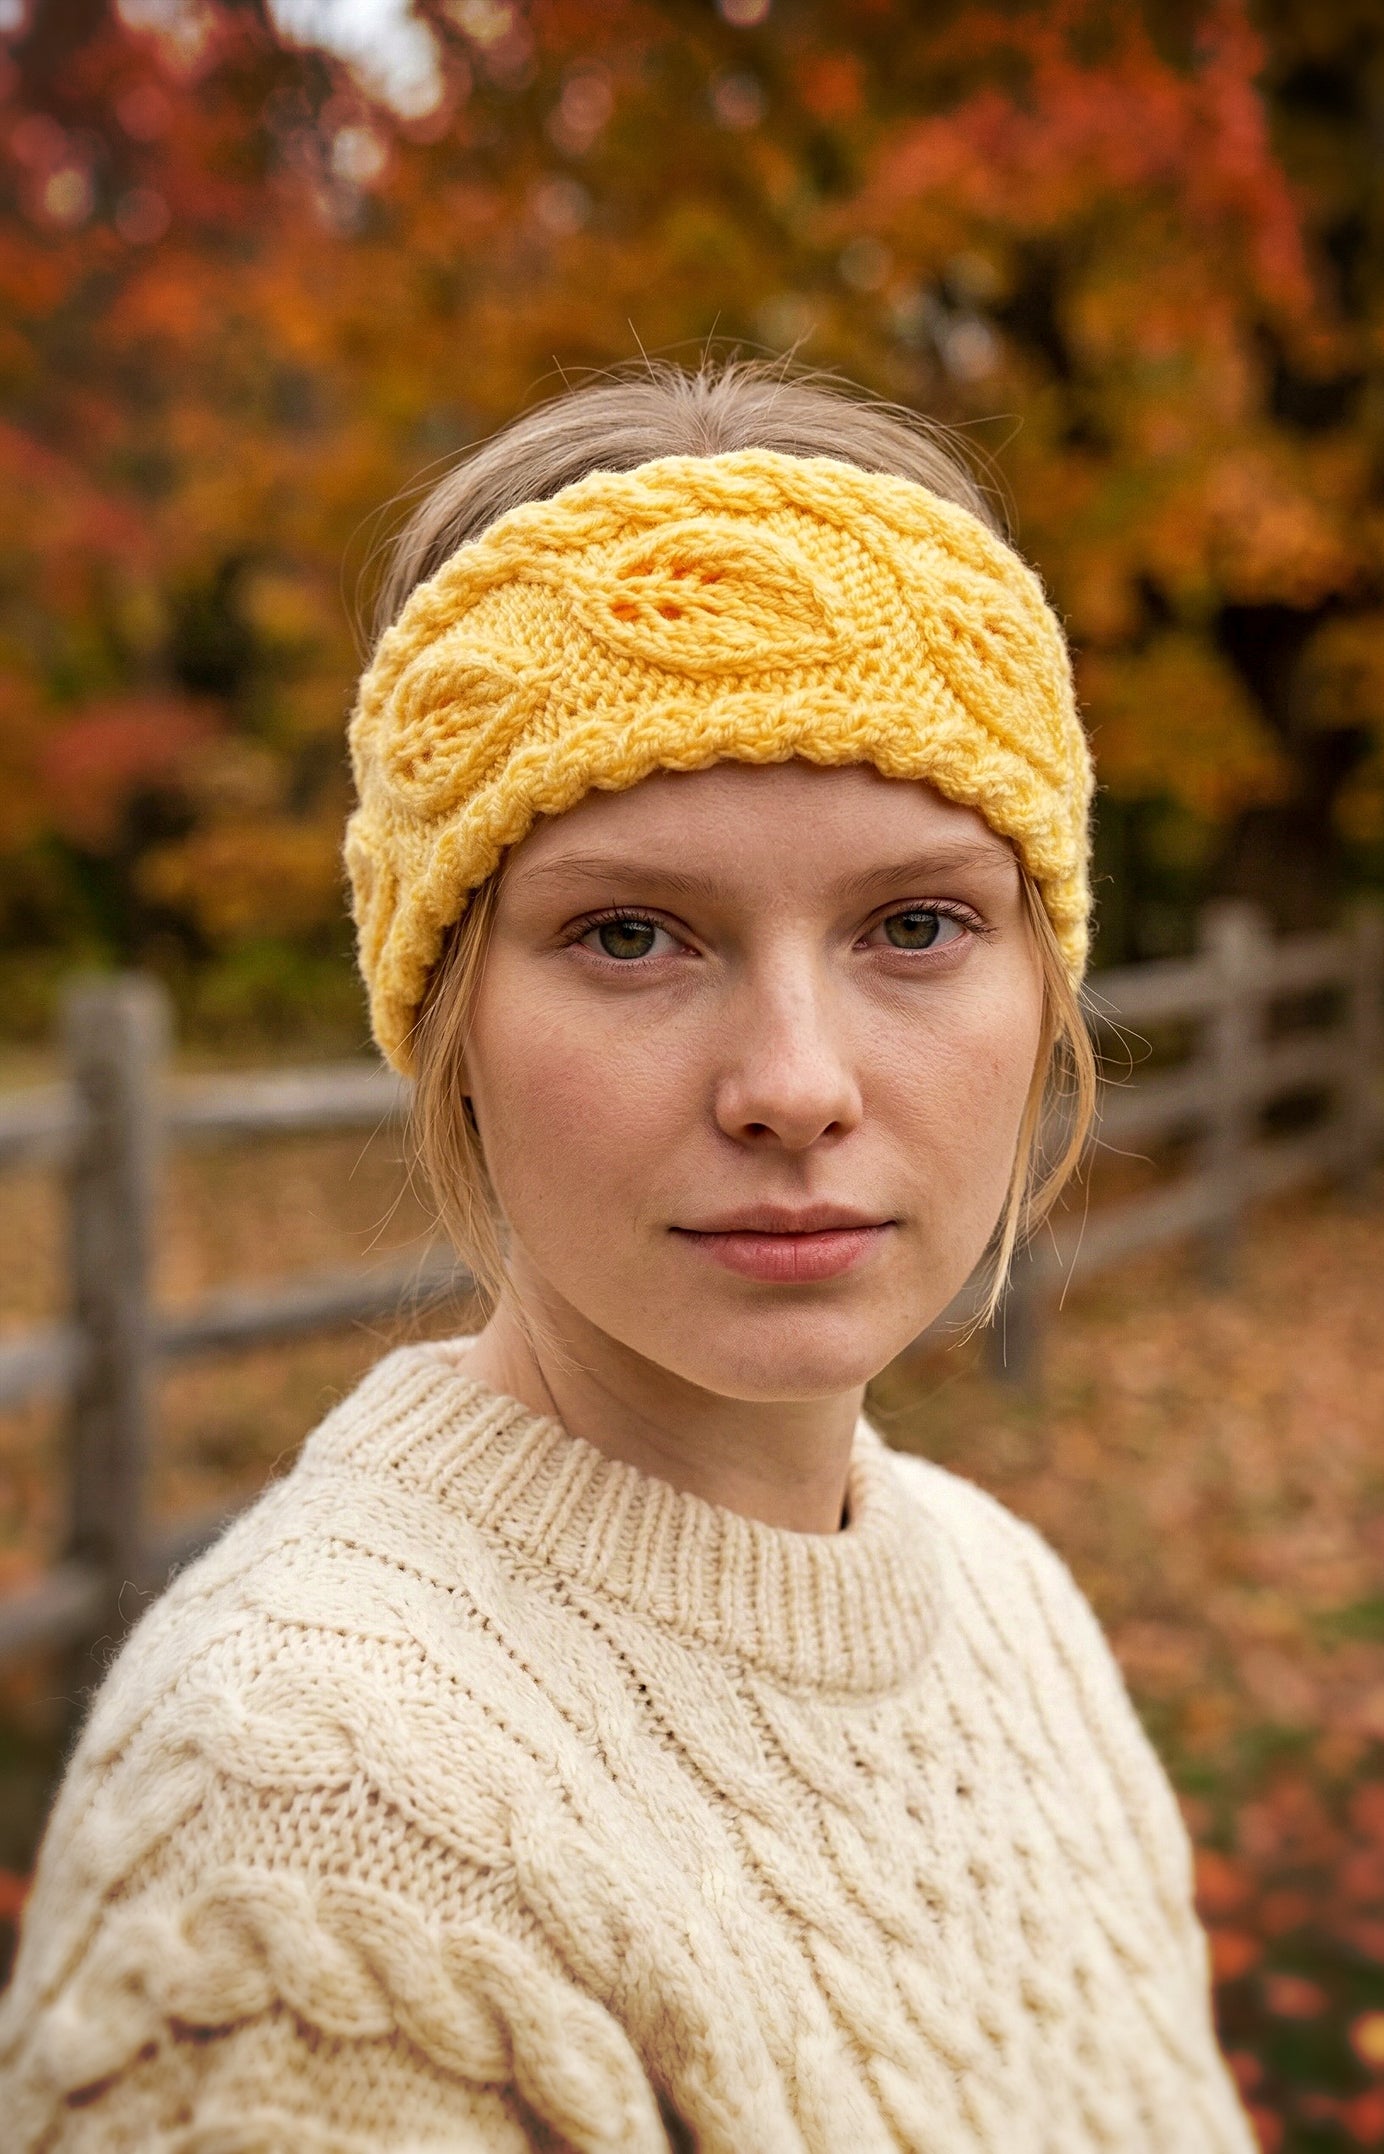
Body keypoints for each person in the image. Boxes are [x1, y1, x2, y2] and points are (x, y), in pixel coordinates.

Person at [0, 361, 1255, 2152]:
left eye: (913, 923)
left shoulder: (1005, 1605)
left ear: (1041, 978)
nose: (793, 1086)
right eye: (632, 934)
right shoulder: (318, 1821)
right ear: (447, 1012)